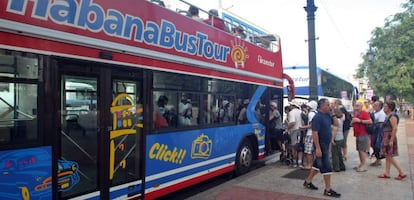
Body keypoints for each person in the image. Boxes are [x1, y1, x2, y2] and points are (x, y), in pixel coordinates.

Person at [303, 98, 341, 198]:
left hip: (326, 143)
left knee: (317, 165)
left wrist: (332, 113)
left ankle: (308, 181)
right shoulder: (317, 118)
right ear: (322, 106)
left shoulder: (328, 115)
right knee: (326, 166)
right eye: (327, 105)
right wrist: (318, 148)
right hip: (321, 144)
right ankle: (328, 189)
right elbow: (315, 133)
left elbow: (336, 124)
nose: (329, 106)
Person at [377, 101, 407, 180]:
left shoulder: (392, 116)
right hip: (387, 136)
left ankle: (401, 172)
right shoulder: (389, 115)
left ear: (390, 108)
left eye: (386, 106)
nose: (384, 108)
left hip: (389, 136)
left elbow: (395, 128)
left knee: (388, 155)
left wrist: (391, 140)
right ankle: (387, 172)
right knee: (387, 155)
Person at [351, 102, 372, 172]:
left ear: (361, 107)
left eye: (358, 106)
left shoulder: (364, 113)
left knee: (362, 150)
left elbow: (370, 121)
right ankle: (361, 164)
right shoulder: (356, 113)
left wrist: (360, 121)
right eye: (355, 105)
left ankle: (364, 165)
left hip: (363, 133)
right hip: (357, 134)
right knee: (359, 150)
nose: (356, 107)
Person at [300, 100, 317, 170]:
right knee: (314, 151)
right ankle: (314, 164)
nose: (307, 107)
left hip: (310, 134)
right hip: (315, 134)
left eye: (308, 106)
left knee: (308, 150)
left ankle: (309, 165)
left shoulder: (311, 114)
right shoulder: (316, 113)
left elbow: (311, 125)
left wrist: (302, 127)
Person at [287, 99, 303, 168]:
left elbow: (292, 123)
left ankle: (294, 162)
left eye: (290, 105)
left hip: (294, 131)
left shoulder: (292, 113)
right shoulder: (301, 112)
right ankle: (300, 162)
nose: (289, 106)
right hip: (301, 130)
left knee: (293, 147)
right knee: (300, 147)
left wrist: (287, 129)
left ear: (293, 105)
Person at [370, 100, 386, 166]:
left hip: (377, 132)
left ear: (380, 106)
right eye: (374, 104)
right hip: (373, 132)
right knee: (373, 145)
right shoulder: (374, 112)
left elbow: (381, 125)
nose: (374, 106)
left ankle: (378, 159)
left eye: (376, 105)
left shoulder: (381, 114)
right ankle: (377, 159)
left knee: (376, 146)